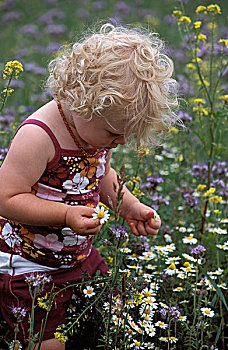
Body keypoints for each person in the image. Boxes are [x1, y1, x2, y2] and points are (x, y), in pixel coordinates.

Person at [0, 23, 178, 349]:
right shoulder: (39, 136)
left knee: (120, 312)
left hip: (79, 257)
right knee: (47, 341)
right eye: (114, 134)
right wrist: (66, 216)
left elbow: (104, 176)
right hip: (30, 265)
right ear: (83, 102)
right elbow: (6, 197)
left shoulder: (96, 129)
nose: (121, 142)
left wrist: (129, 206)